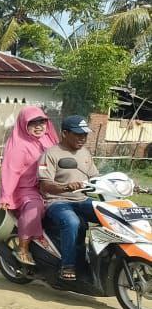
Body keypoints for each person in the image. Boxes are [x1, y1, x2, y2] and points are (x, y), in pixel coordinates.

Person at [38, 115, 99, 281]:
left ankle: (108, 258)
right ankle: (68, 265)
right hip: (57, 201)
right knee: (72, 222)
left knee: (111, 213)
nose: (82, 138)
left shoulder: (85, 153)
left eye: (85, 134)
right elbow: (45, 185)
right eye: (78, 134)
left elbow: (95, 177)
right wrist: (65, 187)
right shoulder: (50, 154)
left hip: (82, 199)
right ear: (64, 133)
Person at [0, 107, 58, 265]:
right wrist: (5, 196)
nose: (38, 126)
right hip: (26, 189)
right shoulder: (19, 146)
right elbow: (10, 172)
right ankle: (23, 248)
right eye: (32, 123)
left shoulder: (49, 140)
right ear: (24, 124)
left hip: (50, 187)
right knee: (34, 208)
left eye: (42, 121)